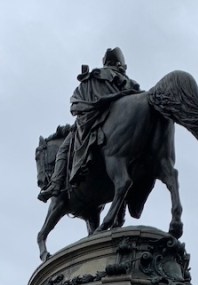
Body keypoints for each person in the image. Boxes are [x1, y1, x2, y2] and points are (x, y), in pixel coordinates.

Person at [38, 47, 141, 201]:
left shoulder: (95, 76)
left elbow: (79, 104)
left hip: (94, 118)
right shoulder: (130, 83)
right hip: (123, 125)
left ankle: (56, 184)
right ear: (122, 64)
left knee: (64, 149)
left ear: (106, 62)